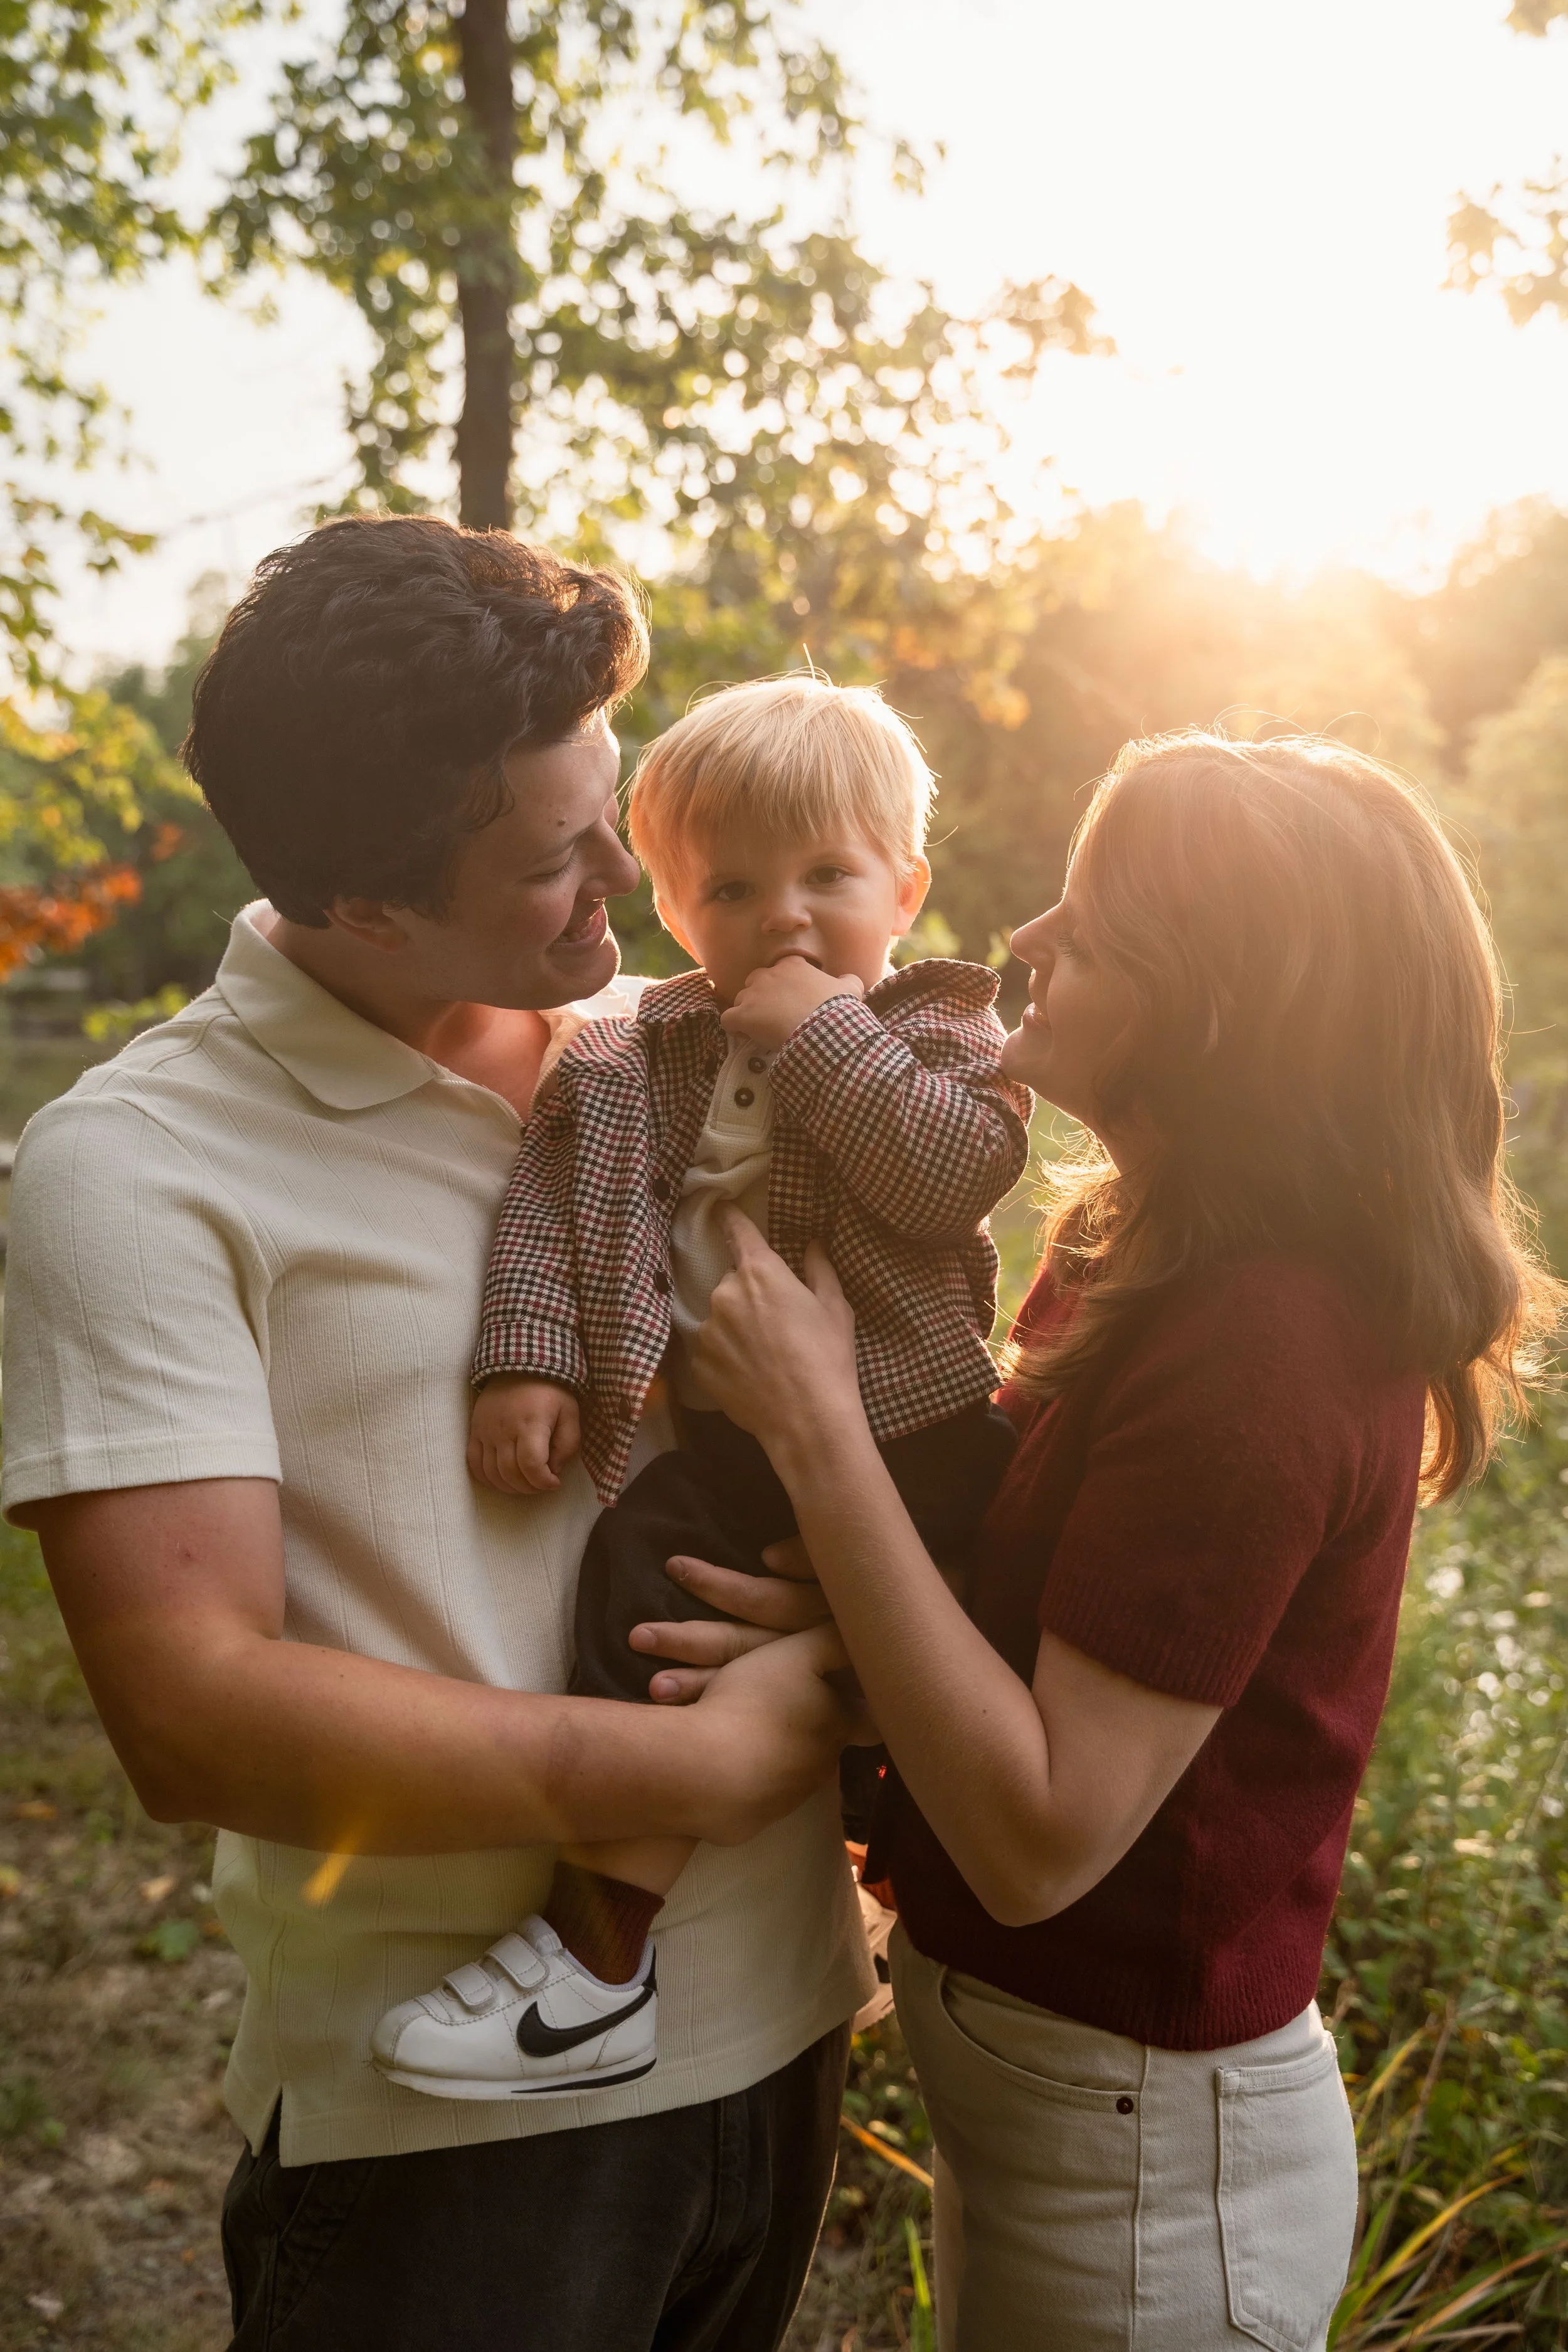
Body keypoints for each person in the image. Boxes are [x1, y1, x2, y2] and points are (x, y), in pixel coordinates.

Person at [0, 515, 876, 2352]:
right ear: (367, 907)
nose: (624, 889)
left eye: (610, 814)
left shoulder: (684, 1049)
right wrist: (688, 1772)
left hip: (787, 2019)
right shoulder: (136, 1166)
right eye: (556, 863)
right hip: (445, 2130)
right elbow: (191, 1708)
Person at [635, 731, 1559, 2351]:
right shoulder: (1131, 1244)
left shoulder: (1261, 1350)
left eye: (1097, 922)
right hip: (1056, 2119)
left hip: (1146, 2180)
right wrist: (837, 1649)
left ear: (1218, 1005)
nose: (1027, 937)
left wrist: (816, 1429)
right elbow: (1022, 1617)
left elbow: (1043, 1836)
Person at [371, 677, 1030, 2100]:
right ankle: (600, 1960)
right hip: (736, 1450)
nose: (785, 918)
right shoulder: (630, 1053)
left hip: (915, 1432)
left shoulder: (937, 1028)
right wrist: (527, 1359)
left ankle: (902, 1865)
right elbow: (547, 1208)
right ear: (676, 913)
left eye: (828, 876)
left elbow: (950, 1175)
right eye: (733, 888)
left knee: (985, 1619)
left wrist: (823, 1034)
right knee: (642, 1586)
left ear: (906, 889)